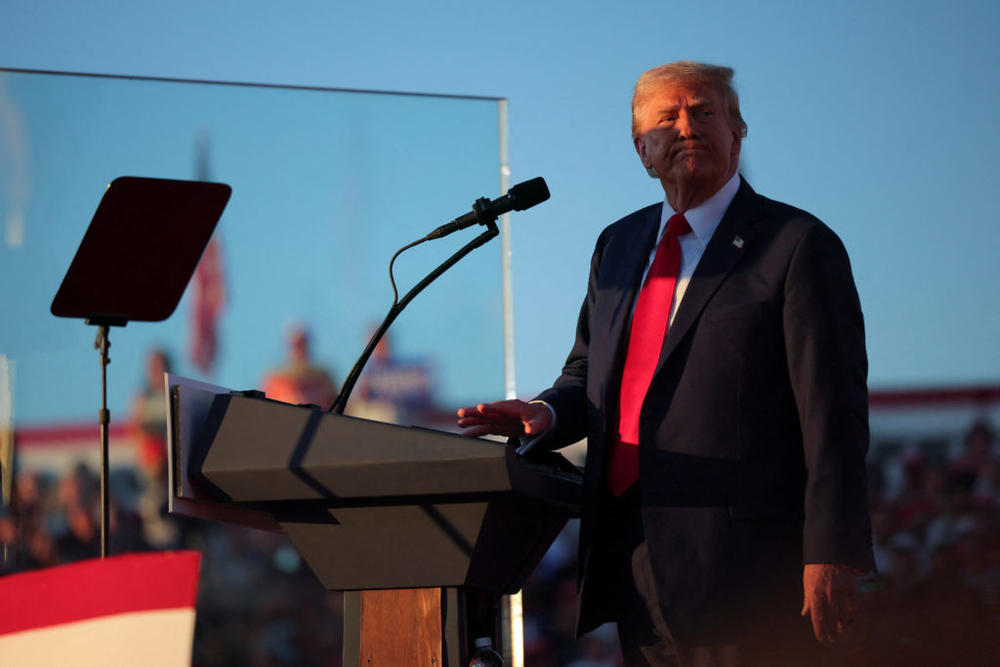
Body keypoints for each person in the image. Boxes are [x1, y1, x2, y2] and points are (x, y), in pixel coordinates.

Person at [458, 62, 874, 665]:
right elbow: (588, 374)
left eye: (704, 112)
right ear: (642, 149)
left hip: (749, 571)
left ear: (738, 131)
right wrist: (545, 412)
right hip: (633, 557)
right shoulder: (618, 245)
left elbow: (832, 413)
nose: (687, 127)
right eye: (667, 117)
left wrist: (831, 550)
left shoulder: (796, 244)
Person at [261, 324, 338, 410]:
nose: (299, 349)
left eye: (302, 343)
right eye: (295, 345)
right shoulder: (275, 380)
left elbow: (336, 410)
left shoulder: (323, 380)